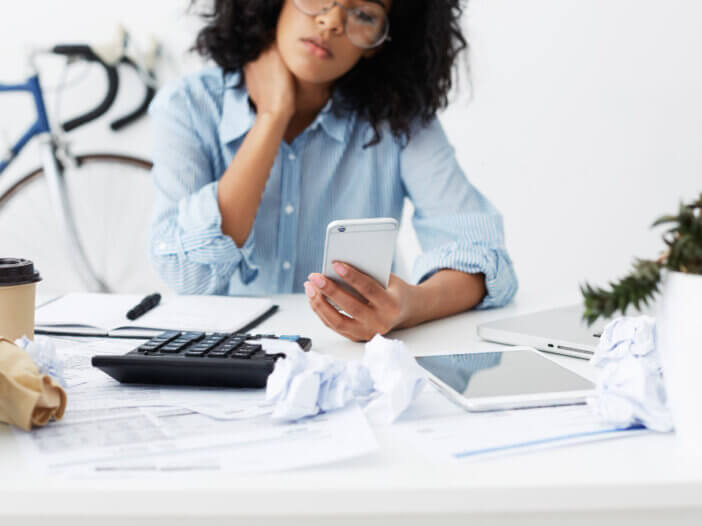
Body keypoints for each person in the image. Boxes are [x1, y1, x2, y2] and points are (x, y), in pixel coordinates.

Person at [149, 0, 518, 342]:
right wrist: (272, 116)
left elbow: (483, 256)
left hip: (349, 363)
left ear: (378, 42)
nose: (331, 22)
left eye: (364, 14)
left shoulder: (399, 120)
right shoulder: (187, 107)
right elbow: (188, 274)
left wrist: (408, 306)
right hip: (222, 360)